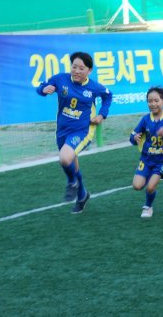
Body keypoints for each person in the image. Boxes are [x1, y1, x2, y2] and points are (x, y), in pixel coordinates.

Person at [37, 51, 112, 214]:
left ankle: (72, 182)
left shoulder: (93, 87)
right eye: (74, 67)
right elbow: (41, 87)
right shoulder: (60, 79)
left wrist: (101, 115)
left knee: (65, 158)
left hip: (82, 130)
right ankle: (82, 195)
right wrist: (44, 89)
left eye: (81, 68)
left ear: (89, 71)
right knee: (70, 161)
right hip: (62, 130)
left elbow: (108, 96)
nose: (77, 71)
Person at [129, 86, 163, 218]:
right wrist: (134, 138)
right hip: (146, 159)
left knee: (150, 187)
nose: (153, 104)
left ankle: (148, 206)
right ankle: (148, 180)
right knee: (137, 186)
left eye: (156, 100)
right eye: (150, 101)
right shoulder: (145, 119)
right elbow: (132, 136)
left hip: (162, 161)